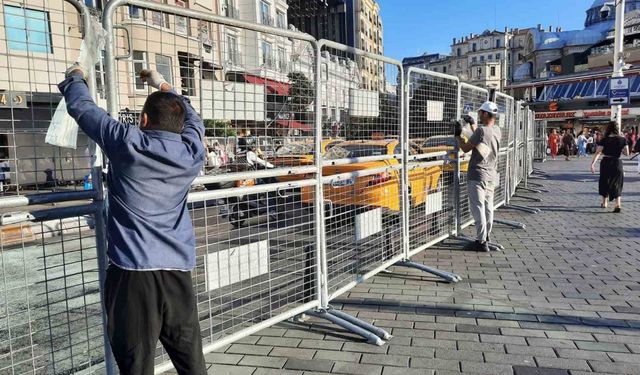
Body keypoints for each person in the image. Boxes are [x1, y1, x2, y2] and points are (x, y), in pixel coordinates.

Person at [58, 65, 207, 374]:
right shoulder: (193, 152)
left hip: (133, 275)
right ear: (179, 125)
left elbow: (82, 108)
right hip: (177, 271)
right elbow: (193, 117)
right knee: (192, 363)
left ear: (143, 120)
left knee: (136, 366)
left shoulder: (127, 142)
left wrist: (75, 76)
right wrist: (163, 84)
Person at [455, 101, 501, 252]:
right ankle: (486, 237)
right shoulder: (496, 130)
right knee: (488, 208)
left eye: (481, 112)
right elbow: (482, 140)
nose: (479, 115)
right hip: (490, 174)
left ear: (486, 114)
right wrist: (473, 125)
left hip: (477, 174)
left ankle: (481, 242)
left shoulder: (481, 131)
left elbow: (466, 148)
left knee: (478, 208)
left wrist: (458, 135)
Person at [590, 121, 629, 213]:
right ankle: (617, 204)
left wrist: (592, 164)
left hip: (606, 162)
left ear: (608, 129)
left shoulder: (604, 139)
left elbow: (598, 152)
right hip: (617, 162)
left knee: (604, 181)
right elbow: (627, 153)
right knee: (617, 183)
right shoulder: (622, 139)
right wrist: (620, 150)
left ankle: (604, 202)